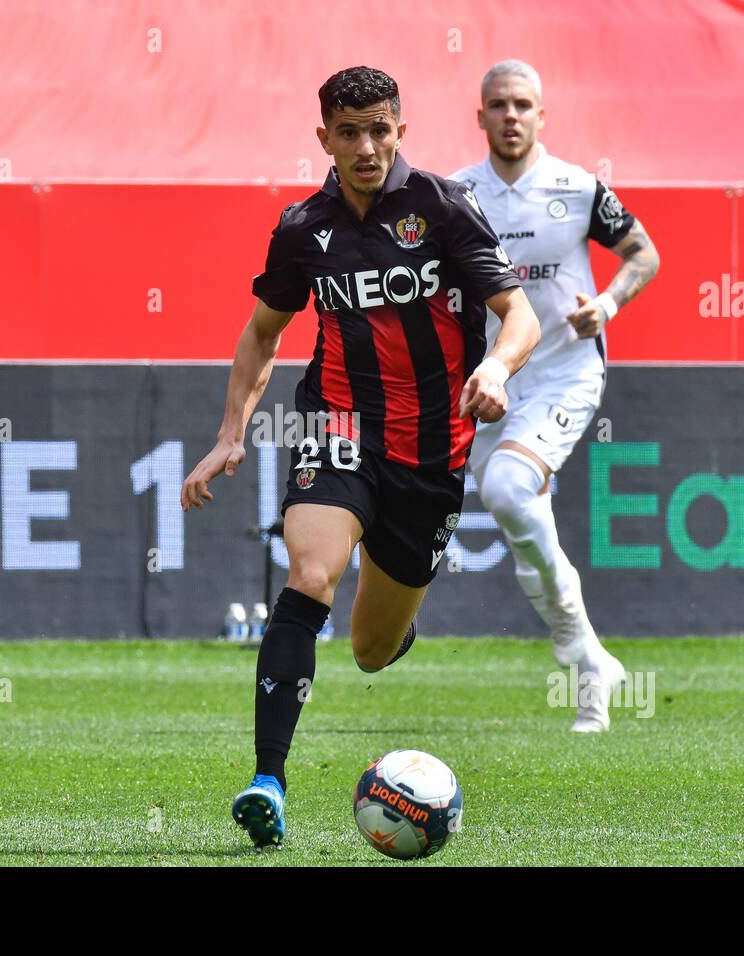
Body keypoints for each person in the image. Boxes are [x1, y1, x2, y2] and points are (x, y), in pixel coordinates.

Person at [180, 66, 541, 848]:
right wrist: (231, 434)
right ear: (326, 140)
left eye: (380, 129)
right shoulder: (302, 227)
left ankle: (393, 622)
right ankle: (267, 781)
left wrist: (495, 367)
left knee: (371, 652)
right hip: (339, 426)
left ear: (400, 130)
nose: (368, 146)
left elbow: (519, 315)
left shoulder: (444, 208)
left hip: (432, 456)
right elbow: (261, 335)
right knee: (310, 575)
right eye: (350, 132)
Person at [448, 60, 661, 732]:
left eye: (523, 105)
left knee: (509, 491)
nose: (511, 116)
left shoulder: (577, 187)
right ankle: (590, 664)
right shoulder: (454, 195)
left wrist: (607, 303)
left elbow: (644, 253)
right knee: (523, 525)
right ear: (479, 116)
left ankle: (575, 645)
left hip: (563, 371)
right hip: (487, 381)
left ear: (543, 116)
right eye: (499, 105)